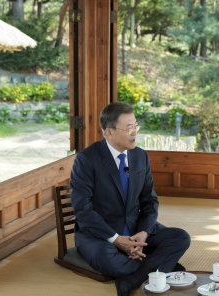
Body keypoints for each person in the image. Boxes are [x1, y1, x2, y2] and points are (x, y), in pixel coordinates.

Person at [70, 102, 191, 296]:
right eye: (129, 128)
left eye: (135, 126)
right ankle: (161, 266)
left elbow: (149, 200)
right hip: (101, 236)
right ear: (109, 132)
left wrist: (143, 232)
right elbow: (83, 210)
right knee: (109, 260)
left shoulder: (140, 156)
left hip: (136, 231)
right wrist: (116, 239)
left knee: (180, 237)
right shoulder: (86, 160)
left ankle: (134, 278)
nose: (134, 132)